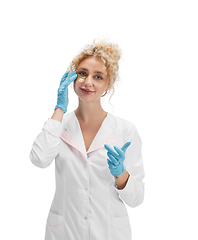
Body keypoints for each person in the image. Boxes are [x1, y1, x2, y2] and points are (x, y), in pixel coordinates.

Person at [29, 39, 145, 240]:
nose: (88, 82)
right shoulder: (59, 124)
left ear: (107, 86)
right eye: (82, 73)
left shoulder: (125, 130)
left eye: (98, 76)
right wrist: (59, 108)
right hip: (64, 231)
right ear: (73, 77)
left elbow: (136, 198)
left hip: (108, 233)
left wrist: (121, 175)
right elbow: (39, 159)